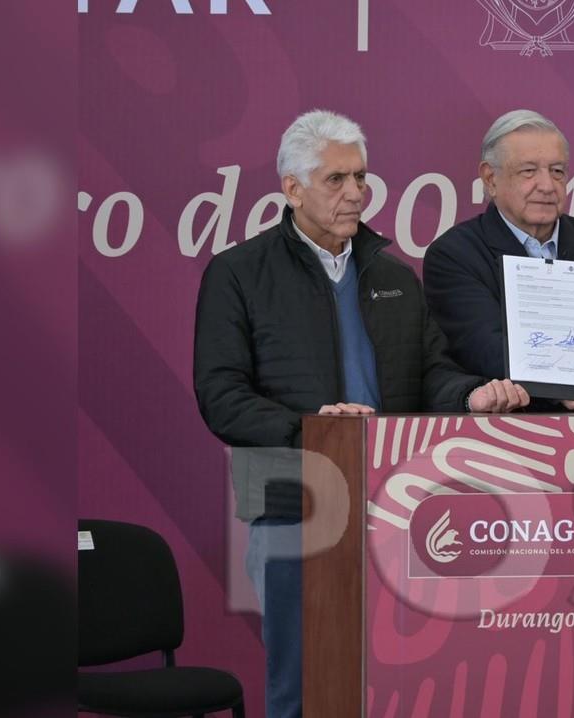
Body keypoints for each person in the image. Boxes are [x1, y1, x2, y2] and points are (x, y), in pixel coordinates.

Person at [193, 109, 528, 717]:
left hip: (394, 506)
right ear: (292, 189)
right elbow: (222, 397)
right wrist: (316, 431)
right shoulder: (238, 273)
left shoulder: (393, 274)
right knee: (305, 688)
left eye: (361, 177)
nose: (355, 193)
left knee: (400, 688)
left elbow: (432, 373)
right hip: (296, 506)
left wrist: (468, 396)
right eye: (336, 180)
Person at [424, 109, 574, 412]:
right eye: (528, 171)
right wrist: (561, 386)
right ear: (490, 179)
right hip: (513, 433)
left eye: (557, 171)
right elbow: (483, 346)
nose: (547, 185)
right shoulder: (454, 255)